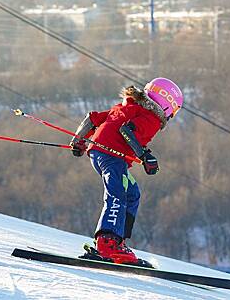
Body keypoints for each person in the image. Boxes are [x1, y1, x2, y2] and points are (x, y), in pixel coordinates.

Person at [70, 78, 183, 265]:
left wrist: (78, 140)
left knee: (132, 193)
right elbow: (127, 131)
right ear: (167, 104)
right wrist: (145, 156)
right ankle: (107, 244)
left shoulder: (129, 107)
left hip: (100, 154)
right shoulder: (152, 118)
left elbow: (92, 119)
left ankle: (118, 241)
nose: (172, 115)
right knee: (117, 195)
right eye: (175, 110)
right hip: (112, 158)